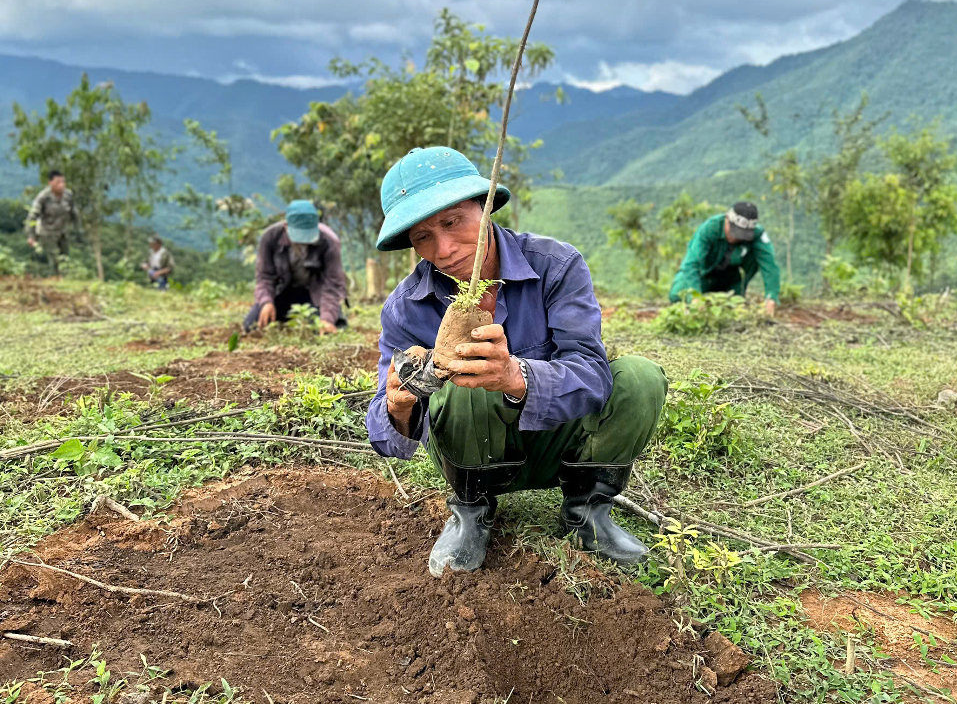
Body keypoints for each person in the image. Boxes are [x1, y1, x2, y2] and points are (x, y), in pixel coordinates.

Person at [366, 146, 668, 578]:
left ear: (485, 207)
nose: (445, 248)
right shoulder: (405, 308)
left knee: (638, 377)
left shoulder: (556, 266)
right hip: (474, 454)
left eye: (452, 222)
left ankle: (587, 512)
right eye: (422, 238)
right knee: (462, 380)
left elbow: (592, 374)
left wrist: (515, 375)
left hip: (560, 444)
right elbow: (388, 436)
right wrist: (398, 405)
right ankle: (471, 511)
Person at [243, 199, 348, 334]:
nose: (303, 243)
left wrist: (326, 318)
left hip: (314, 295)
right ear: (286, 227)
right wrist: (266, 302)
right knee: (252, 325)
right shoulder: (269, 238)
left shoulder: (329, 241)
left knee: (324, 329)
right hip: (281, 293)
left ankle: (331, 317)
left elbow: (332, 284)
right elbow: (264, 277)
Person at [668, 201, 780, 317]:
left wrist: (771, 298)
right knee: (677, 294)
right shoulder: (709, 229)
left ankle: (737, 294)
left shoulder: (758, 234)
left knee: (731, 311)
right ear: (727, 219)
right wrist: (695, 297)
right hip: (704, 275)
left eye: (741, 234)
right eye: (733, 231)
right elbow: (691, 264)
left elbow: (770, 266)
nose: (736, 237)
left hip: (731, 279)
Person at [24, 170, 81, 276]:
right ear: (50, 183)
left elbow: (74, 213)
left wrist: (78, 230)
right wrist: (31, 235)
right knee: (54, 258)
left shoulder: (68, 195)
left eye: (63, 182)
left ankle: (65, 279)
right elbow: (32, 217)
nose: (61, 185)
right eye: (58, 182)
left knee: (65, 258)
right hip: (47, 232)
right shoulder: (43, 197)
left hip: (63, 231)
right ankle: (55, 278)